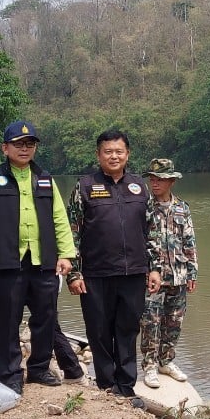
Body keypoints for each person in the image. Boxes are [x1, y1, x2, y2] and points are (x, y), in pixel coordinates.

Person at [0, 121, 78, 395]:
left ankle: (39, 368)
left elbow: (59, 218)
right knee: (7, 319)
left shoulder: (44, 177)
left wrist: (66, 253)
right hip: (8, 261)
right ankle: (10, 373)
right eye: (18, 144)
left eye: (29, 144)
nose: (25, 149)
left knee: (45, 316)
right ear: (5, 148)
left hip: (43, 261)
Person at [67, 130, 161, 399]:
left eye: (119, 151)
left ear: (127, 154)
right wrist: (74, 272)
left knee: (128, 329)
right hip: (95, 273)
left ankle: (127, 386)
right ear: (98, 155)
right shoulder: (85, 186)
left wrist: (154, 268)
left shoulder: (140, 187)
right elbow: (71, 232)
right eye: (108, 151)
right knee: (98, 330)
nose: (114, 156)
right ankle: (106, 385)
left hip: (133, 272)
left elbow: (151, 231)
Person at [138, 158, 198, 389]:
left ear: (171, 181)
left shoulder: (182, 207)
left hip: (179, 274)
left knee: (174, 321)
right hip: (152, 275)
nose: (155, 183)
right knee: (150, 321)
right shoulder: (143, 207)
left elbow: (189, 241)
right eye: (152, 179)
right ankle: (150, 366)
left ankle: (166, 361)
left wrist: (192, 273)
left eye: (160, 179)